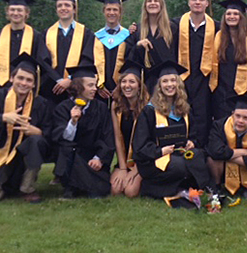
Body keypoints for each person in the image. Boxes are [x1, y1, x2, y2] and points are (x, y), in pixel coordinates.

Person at [0, 53, 52, 204]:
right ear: (11, 78)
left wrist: (39, 132)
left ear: (34, 84)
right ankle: (3, 185)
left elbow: (52, 132)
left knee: (37, 141)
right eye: (20, 78)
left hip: (24, 158)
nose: (24, 83)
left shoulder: (40, 104)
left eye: (29, 80)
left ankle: (27, 188)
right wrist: (2, 118)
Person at [132, 60, 212, 199]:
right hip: (154, 159)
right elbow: (139, 146)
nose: (170, 85)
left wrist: (191, 143)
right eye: (165, 81)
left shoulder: (184, 108)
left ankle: (204, 191)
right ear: (159, 86)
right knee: (181, 165)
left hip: (180, 153)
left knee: (198, 156)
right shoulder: (149, 111)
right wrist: (161, 151)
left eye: (173, 80)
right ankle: (156, 189)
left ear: (179, 84)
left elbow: (193, 134)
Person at [52, 65, 113, 198]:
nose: (94, 89)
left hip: (93, 158)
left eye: (95, 85)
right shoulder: (63, 108)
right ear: (78, 87)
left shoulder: (101, 108)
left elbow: (108, 136)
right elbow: (63, 139)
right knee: (68, 150)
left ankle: (82, 186)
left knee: (100, 190)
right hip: (72, 158)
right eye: (90, 85)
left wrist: (99, 159)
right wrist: (73, 122)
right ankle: (71, 187)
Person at [173, 0, 219, 147]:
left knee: (204, 115)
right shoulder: (176, 25)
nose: (197, 2)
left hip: (205, 80)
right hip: (182, 78)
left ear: (207, 3)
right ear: (189, 3)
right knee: (181, 112)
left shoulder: (217, 26)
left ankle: (201, 152)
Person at [40, 0, 94, 105]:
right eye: (59, 5)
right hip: (52, 87)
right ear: (56, 9)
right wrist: (59, 80)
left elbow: (87, 59)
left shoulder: (86, 33)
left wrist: (70, 79)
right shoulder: (47, 33)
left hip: (76, 88)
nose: (63, 8)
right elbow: (44, 61)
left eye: (67, 5)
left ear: (74, 9)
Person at [207, 95, 247, 197]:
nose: (240, 121)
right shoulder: (219, 125)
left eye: (245, 118)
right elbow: (215, 151)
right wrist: (242, 152)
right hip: (223, 170)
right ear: (232, 114)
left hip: (246, 170)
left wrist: (227, 156)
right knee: (212, 159)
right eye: (237, 116)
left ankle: (245, 188)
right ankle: (217, 187)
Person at [209, 0, 247, 120]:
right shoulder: (218, 36)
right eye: (228, 14)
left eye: (236, 14)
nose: (232, 16)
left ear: (242, 17)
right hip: (221, 93)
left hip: (244, 92)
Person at [0, 0, 51, 89]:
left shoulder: (36, 37)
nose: (15, 13)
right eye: (12, 10)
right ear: (7, 12)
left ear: (26, 13)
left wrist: (35, 85)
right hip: (0, 87)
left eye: (20, 10)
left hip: (26, 87)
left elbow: (43, 64)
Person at [110, 60, 150, 197]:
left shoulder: (148, 107)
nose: (127, 85)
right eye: (123, 82)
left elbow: (150, 141)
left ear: (139, 85)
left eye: (132, 82)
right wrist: (122, 168)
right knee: (115, 190)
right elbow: (117, 138)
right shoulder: (116, 105)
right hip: (124, 158)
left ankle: (146, 180)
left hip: (143, 161)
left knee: (130, 192)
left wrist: (135, 169)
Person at [127, 0, 177, 92]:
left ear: (161, 4)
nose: (152, 3)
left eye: (156, 1)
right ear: (145, 5)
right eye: (149, 1)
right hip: (145, 83)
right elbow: (129, 59)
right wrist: (137, 46)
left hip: (167, 83)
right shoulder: (138, 30)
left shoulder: (172, 28)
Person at [92, 0, 132, 106]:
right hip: (99, 93)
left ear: (120, 13)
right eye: (108, 9)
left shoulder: (128, 36)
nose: (111, 13)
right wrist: (98, 86)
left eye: (115, 10)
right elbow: (91, 63)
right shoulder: (95, 37)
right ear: (103, 12)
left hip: (123, 92)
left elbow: (130, 63)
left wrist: (121, 86)